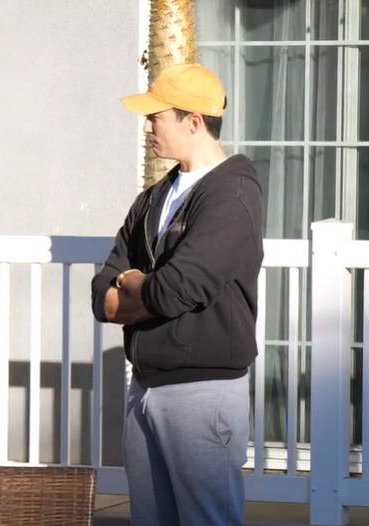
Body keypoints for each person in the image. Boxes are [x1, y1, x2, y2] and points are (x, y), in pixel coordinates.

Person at [91, 63, 263, 525]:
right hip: (145, 386)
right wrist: (136, 290)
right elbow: (101, 293)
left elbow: (177, 288)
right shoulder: (154, 196)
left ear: (193, 121)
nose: (147, 127)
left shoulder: (233, 192)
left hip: (202, 394)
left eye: (156, 117)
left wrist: (133, 284)